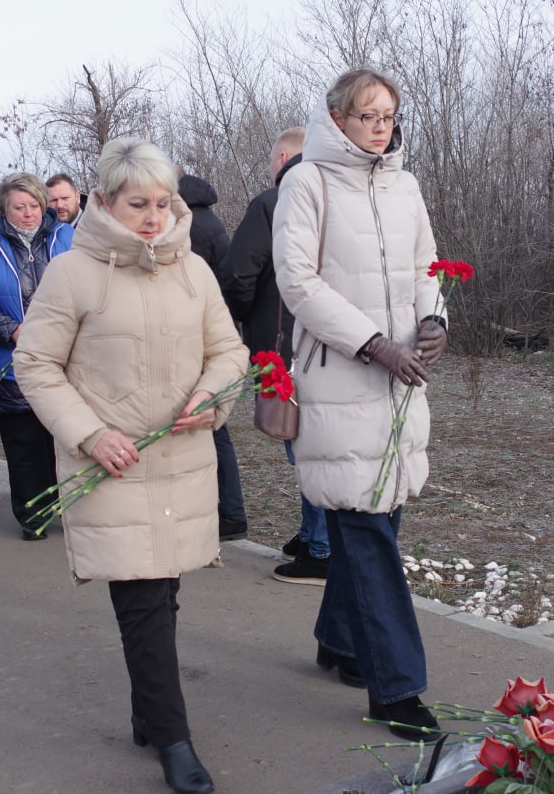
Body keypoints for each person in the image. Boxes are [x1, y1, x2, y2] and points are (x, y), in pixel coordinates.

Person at [15, 139, 247, 794]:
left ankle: (151, 713)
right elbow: (35, 363)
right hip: (111, 467)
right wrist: (89, 434)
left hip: (181, 460)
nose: (152, 216)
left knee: (164, 591)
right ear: (106, 202)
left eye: (161, 202)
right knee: (143, 599)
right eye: (137, 203)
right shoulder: (72, 272)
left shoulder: (193, 270)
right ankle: (175, 737)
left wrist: (214, 393)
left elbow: (229, 352)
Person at [271, 68, 448, 742]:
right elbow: (297, 281)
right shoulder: (307, 181)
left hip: (403, 379)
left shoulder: (404, 184)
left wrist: (434, 322)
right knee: (366, 528)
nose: (380, 126)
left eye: (388, 116)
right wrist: (372, 344)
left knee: (381, 515)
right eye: (367, 115)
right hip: (342, 376)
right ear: (337, 116)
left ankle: (342, 638)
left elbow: (429, 266)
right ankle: (398, 687)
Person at [219, 127, 334, 585]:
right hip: (333, 342)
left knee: (302, 444)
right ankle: (311, 534)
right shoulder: (337, 197)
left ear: (284, 156)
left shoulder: (273, 201)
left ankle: (322, 548)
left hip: (283, 344)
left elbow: (238, 271)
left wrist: (248, 319)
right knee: (314, 438)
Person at [0, 173, 71, 539]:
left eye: (34, 205)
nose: (28, 213)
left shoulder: (67, 237)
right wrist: (13, 330)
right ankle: (33, 515)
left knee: (68, 437)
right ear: (4, 210)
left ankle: (71, 508)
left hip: (67, 359)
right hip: (12, 361)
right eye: (19, 207)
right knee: (24, 443)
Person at [177, 170, 246, 542]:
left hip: (202, 336)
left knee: (209, 425)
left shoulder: (189, 225)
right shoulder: (204, 217)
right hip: (210, 329)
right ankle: (228, 512)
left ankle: (229, 514)